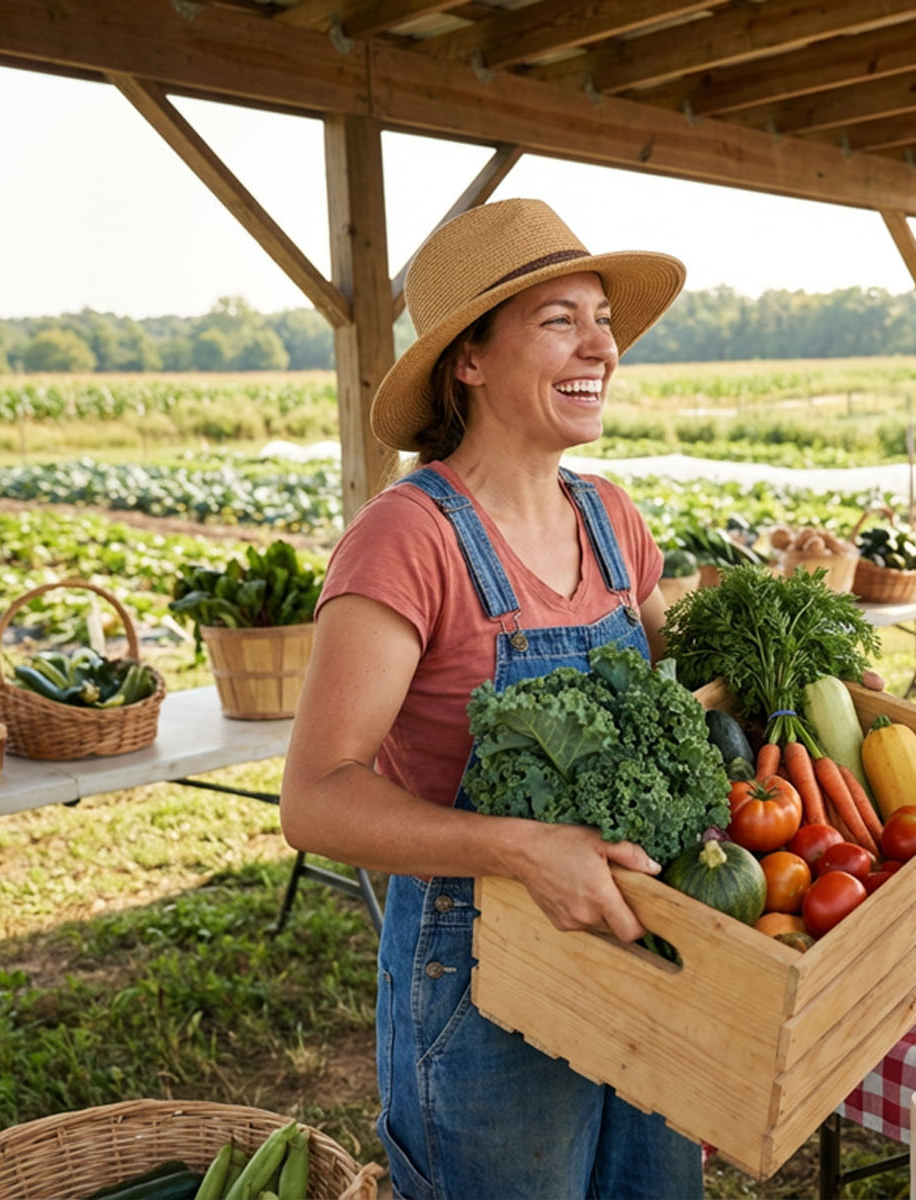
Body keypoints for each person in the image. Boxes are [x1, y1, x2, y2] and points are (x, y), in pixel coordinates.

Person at [279, 198, 703, 1200]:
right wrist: (521, 847)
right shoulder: (408, 538)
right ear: (466, 360)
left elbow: (673, 695)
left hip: (634, 944)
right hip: (481, 975)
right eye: (559, 319)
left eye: (602, 319)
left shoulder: (610, 517)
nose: (600, 345)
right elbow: (317, 797)